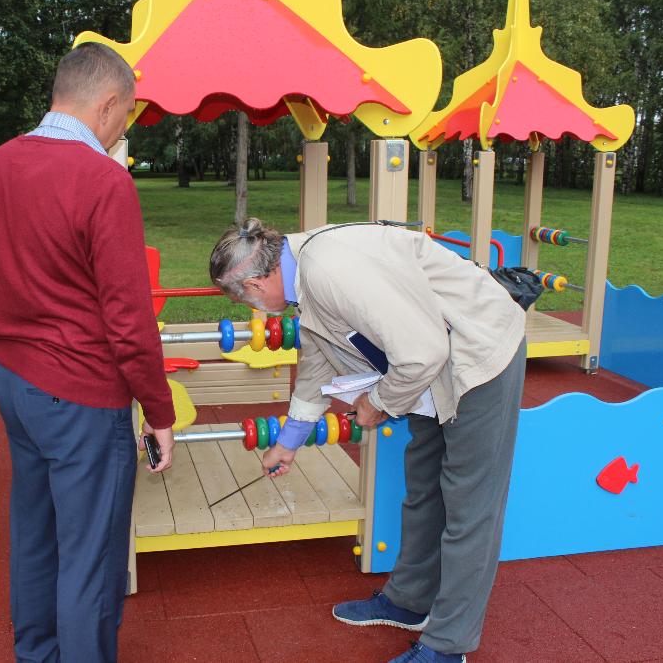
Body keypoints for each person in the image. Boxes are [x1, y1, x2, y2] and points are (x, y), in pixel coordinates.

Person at [209, 217, 527, 663]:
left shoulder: (330, 271)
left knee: (470, 509)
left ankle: (448, 645)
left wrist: (378, 402)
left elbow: (423, 352)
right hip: (429, 370)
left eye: (245, 298)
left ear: (258, 284)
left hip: (477, 356)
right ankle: (409, 601)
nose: (254, 308)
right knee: (424, 491)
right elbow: (317, 361)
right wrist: (289, 441)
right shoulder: (300, 273)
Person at [0, 42, 175, 663]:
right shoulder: (102, 180)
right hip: (82, 396)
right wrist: (159, 413)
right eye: (128, 116)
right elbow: (130, 320)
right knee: (90, 560)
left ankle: (37, 655)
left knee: (35, 535)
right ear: (107, 104)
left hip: (15, 382)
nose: (122, 130)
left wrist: (21, 339)